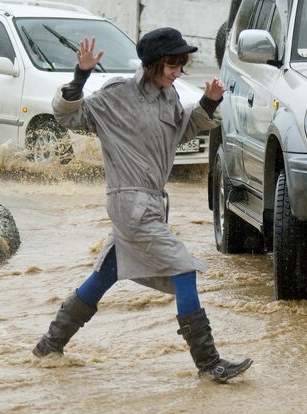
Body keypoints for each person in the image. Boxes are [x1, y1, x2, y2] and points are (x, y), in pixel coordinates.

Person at [32, 28, 252, 383]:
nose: (178, 71)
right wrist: (80, 75)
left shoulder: (170, 97)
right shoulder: (117, 94)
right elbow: (69, 116)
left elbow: (182, 133)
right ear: (152, 63)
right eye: (171, 63)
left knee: (106, 274)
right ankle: (209, 364)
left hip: (147, 202)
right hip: (129, 200)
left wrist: (209, 102)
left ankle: (49, 346)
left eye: (182, 64)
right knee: (184, 270)